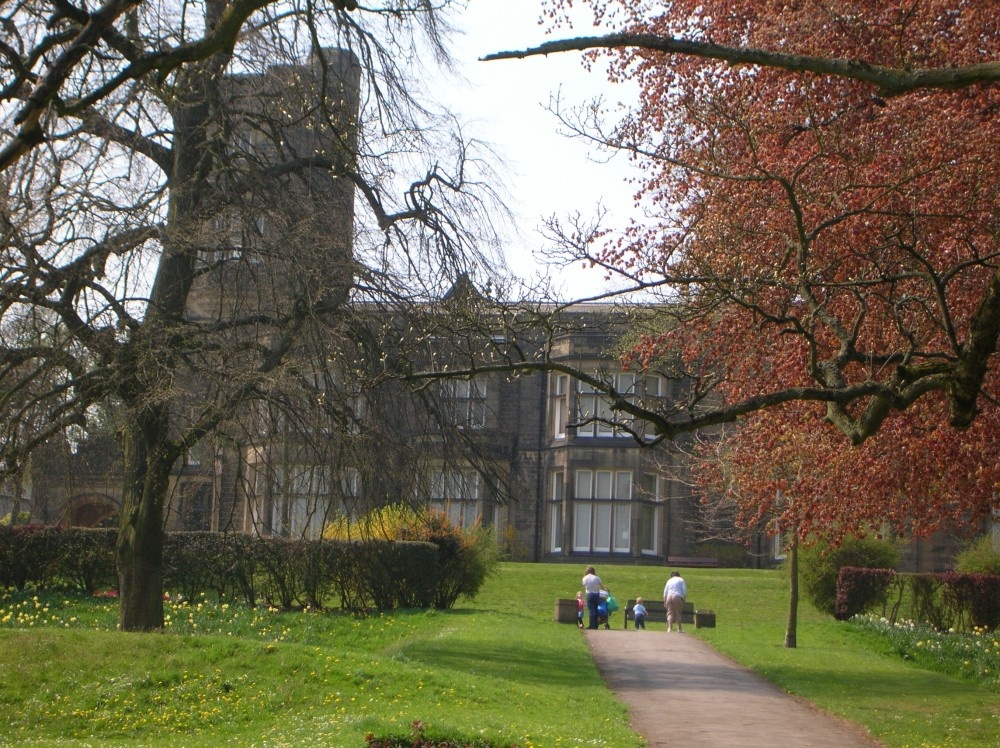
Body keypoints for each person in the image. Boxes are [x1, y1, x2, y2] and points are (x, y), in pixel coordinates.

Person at [582, 566, 606, 630]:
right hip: (596, 594)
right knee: (596, 610)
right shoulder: (597, 578)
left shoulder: (585, 578)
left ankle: (591, 625)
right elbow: (602, 586)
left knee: (591, 611)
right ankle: (596, 625)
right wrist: (605, 591)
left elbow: (584, 585)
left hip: (589, 594)